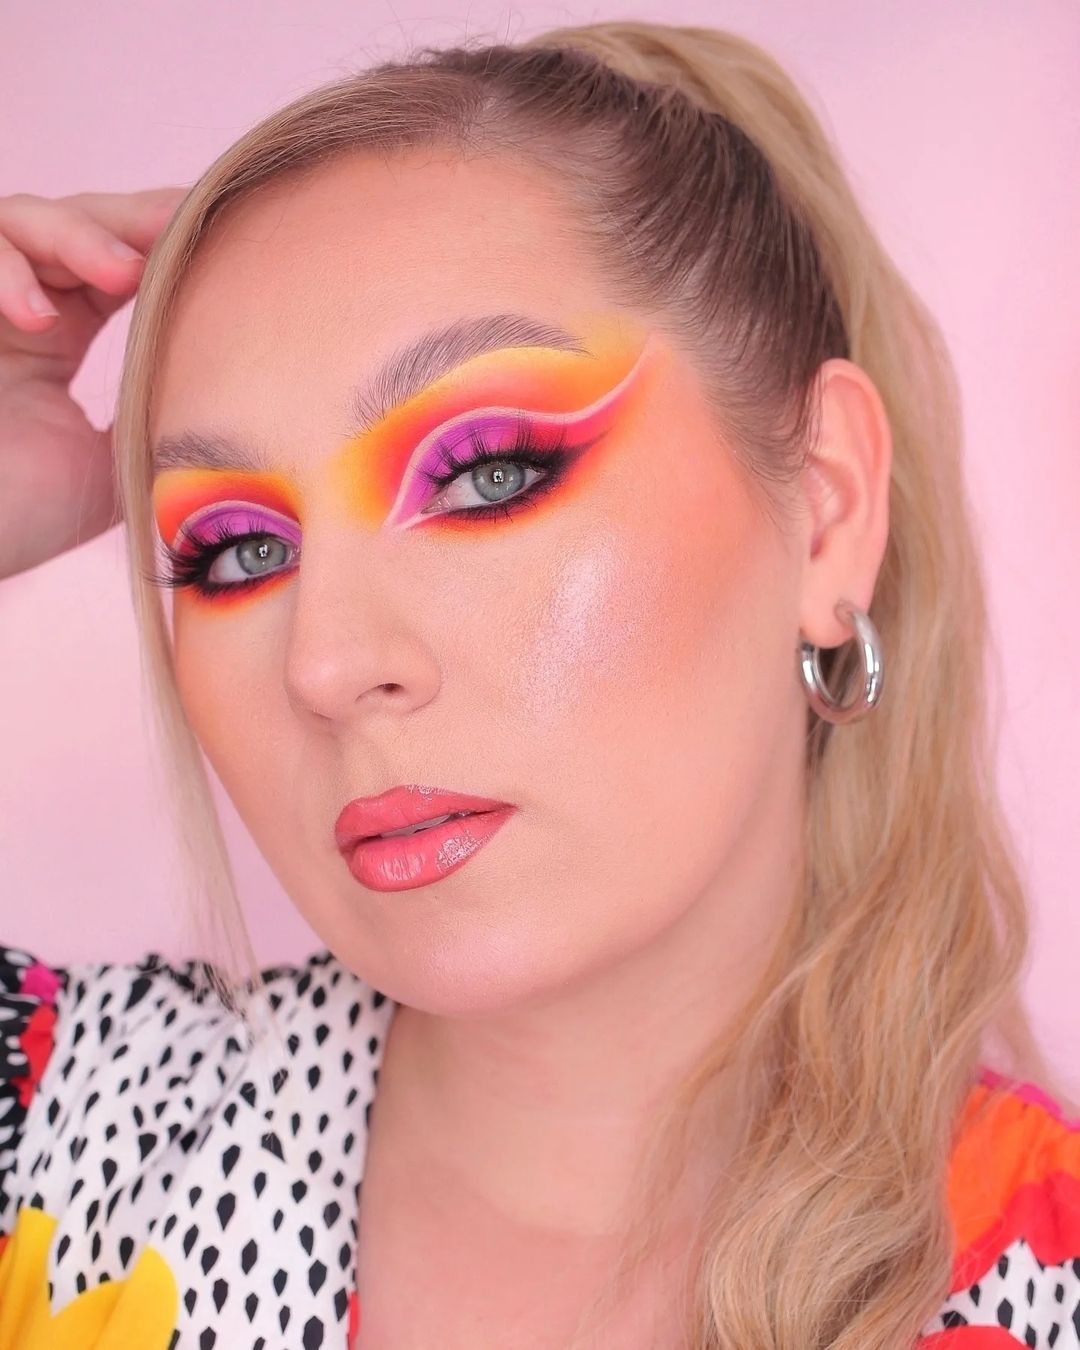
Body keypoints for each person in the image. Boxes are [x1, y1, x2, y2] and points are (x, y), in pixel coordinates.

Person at [0, 19, 1076, 1350]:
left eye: (488, 475)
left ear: (827, 509)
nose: (327, 664)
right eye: (237, 550)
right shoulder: (51, 1131)